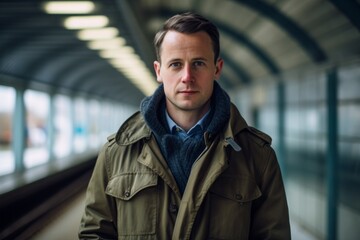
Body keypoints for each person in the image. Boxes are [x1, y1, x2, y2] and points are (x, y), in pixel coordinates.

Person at [79, 12, 291, 239]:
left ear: (217, 69)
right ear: (159, 71)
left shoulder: (256, 155)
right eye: (176, 64)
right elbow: (94, 234)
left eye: (198, 63)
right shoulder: (117, 152)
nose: (187, 76)